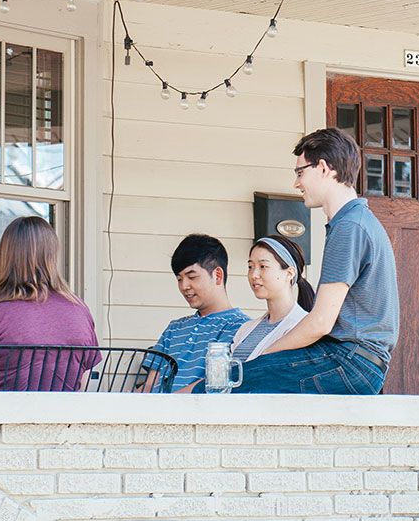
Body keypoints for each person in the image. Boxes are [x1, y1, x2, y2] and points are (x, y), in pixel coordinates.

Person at [233, 128, 399, 394]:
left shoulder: (350, 227)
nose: (296, 184)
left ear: (323, 168)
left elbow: (321, 321)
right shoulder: (355, 222)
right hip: (357, 361)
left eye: (300, 172)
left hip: (351, 361)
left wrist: (263, 355)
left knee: (235, 378)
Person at [0, 216, 99, 391]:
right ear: (52, 257)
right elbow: (85, 387)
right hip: (64, 417)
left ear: (6, 257)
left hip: (1, 417)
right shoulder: (80, 311)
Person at [138, 234, 250, 392]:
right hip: (155, 412)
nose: (184, 286)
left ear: (217, 276)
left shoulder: (241, 328)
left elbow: (216, 385)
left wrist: (168, 404)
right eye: (179, 279)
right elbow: (149, 384)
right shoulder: (174, 328)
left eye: (192, 277)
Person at [231, 235, 313, 362]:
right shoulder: (245, 329)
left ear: (289, 273)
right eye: (250, 267)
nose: (254, 275)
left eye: (263, 266)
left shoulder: (302, 326)